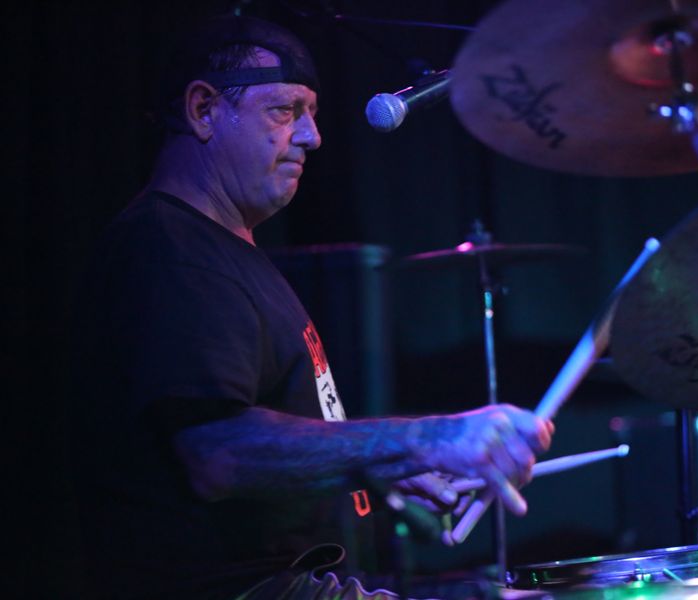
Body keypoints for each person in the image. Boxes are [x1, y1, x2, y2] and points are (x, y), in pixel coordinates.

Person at [69, 14, 554, 600]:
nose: (312, 136)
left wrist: (381, 469)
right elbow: (218, 452)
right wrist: (424, 438)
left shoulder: (226, 250)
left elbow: (263, 458)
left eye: (313, 113)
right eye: (285, 110)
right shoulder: (170, 251)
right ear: (203, 110)